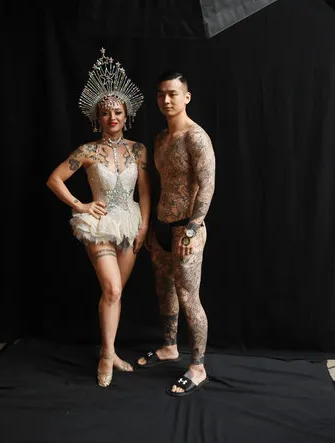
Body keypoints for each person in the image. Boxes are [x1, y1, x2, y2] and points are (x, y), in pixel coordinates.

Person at [46, 48, 150, 388]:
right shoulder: (87, 151)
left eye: (118, 112)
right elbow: (55, 179)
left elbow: (145, 192)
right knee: (112, 287)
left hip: (132, 222)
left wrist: (145, 226)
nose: (113, 117)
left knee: (115, 295)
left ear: (127, 114)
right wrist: (81, 205)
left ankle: (111, 351)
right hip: (99, 224)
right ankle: (106, 357)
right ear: (97, 116)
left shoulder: (138, 150)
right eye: (106, 113)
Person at [137, 71, 216, 397]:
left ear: (187, 97)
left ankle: (198, 367)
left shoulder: (195, 138)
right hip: (162, 225)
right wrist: (153, 228)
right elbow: (161, 184)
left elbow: (208, 185)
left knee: (188, 297)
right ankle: (169, 347)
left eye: (172, 94)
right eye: (161, 94)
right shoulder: (160, 139)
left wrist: (193, 229)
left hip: (188, 227)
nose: (166, 100)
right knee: (164, 291)